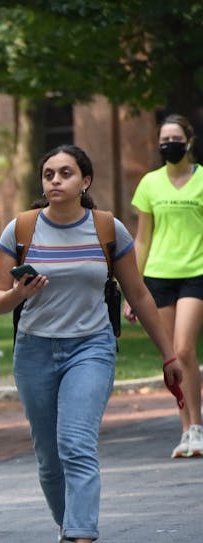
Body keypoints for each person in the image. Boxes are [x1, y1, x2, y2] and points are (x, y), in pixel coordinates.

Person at [0, 144, 183, 543]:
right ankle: (68, 532)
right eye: (48, 174)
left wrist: (168, 354)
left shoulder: (105, 229)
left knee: (75, 442)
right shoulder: (20, 229)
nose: (54, 181)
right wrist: (21, 293)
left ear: (85, 182)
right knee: (48, 459)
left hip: (90, 348)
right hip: (34, 350)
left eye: (65, 174)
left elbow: (140, 296)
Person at [126, 114, 203, 458]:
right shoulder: (150, 184)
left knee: (185, 349)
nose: (168, 143)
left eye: (174, 137)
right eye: (163, 139)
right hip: (159, 275)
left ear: (189, 141)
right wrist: (133, 288)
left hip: (196, 272)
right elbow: (142, 240)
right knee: (170, 355)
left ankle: (198, 426)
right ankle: (184, 429)